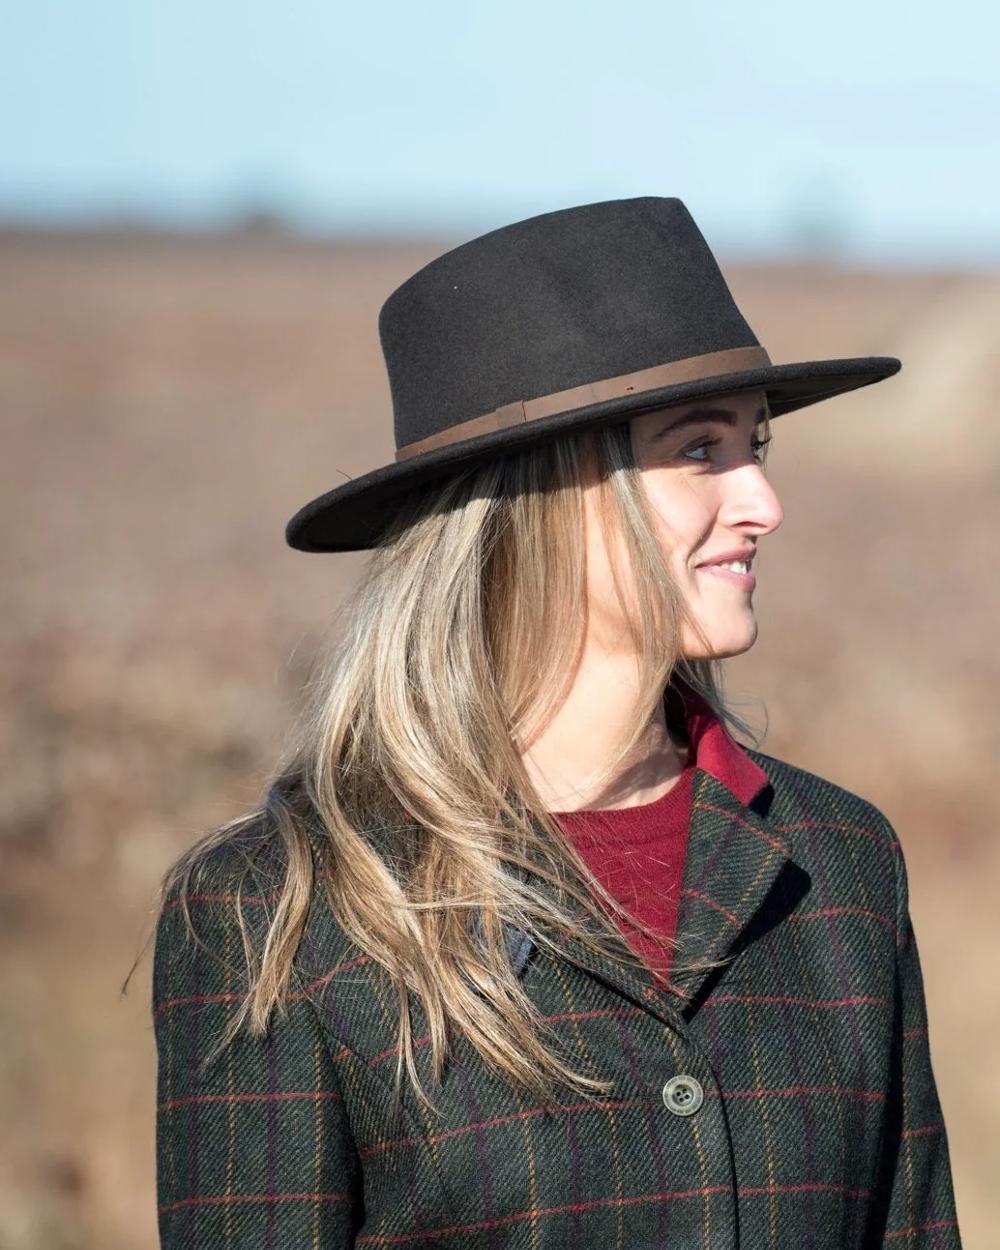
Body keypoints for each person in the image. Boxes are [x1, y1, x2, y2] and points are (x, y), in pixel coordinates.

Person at [150, 197, 963, 1248]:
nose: (764, 502)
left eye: (754, 444)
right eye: (700, 450)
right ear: (541, 496)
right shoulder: (284, 911)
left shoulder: (839, 865)